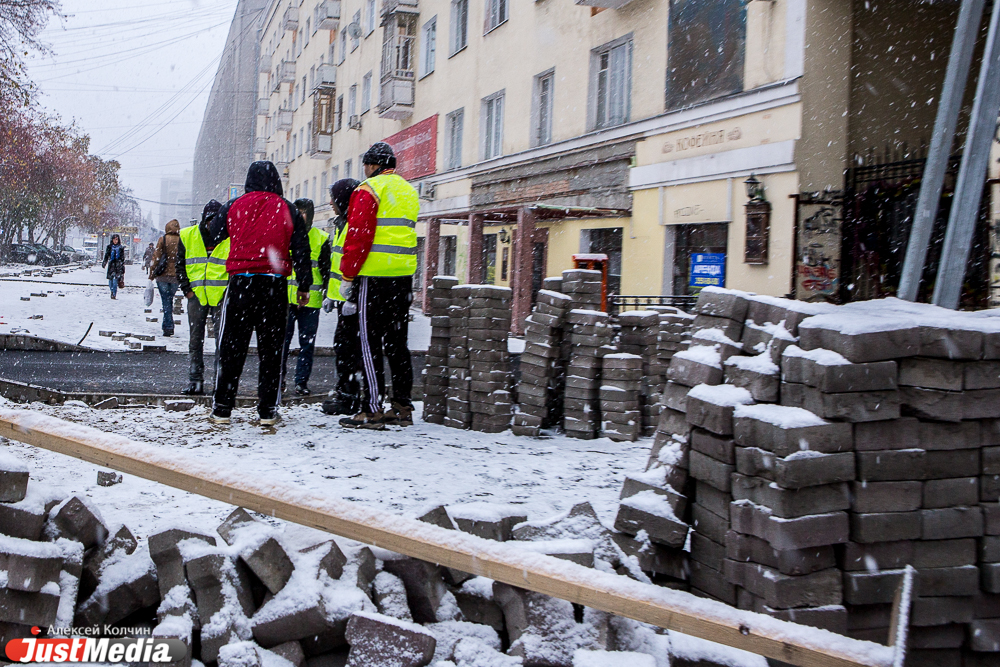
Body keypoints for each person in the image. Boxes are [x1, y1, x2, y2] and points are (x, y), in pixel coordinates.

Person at [206, 161, 312, 426]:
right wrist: (304, 285)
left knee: (232, 348)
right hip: (274, 287)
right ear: (275, 179)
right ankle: (267, 411)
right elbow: (301, 249)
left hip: (241, 284)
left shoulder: (235, 205)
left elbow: (214, 235)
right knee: (272, 350)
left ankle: (222, 408)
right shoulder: (286, 208)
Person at [336, 142, 418, 430]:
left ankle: (371, 408)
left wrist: (348, 276)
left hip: (374, 277)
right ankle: (403, 406)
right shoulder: (408, 190)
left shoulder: (369, 189)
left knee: (367, 344)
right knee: (397, 344)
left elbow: (359, 235)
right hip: (403, 278)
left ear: (372, 165)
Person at [281, 198, 331, 396]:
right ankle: (280, 379)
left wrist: (327, 292)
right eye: (298, 211)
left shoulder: (320, 238)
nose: (301, 216)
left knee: (307, 344)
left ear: (310, 215)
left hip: (311, 299)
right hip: (285, 299)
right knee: (281, 344)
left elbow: (326, 270)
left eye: (304, 212)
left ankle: (301, 382)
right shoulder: (284, 235)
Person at [177, 200, 227, 396]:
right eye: (210, 221)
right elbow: (180, 264)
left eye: (216, 220)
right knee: (195, 340)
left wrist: (228, 292)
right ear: (204, 219)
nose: (212, 225)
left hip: (220, 296)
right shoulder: (188, 236)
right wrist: (187, 290)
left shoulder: (228, 236)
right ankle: (195, 380)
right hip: (196, 296)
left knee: (222, 342)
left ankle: (219, 383)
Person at [321, 178, 361, 415]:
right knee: (343, 347)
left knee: (349, 350)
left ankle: (348, 396)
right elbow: (338, 265)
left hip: (351, 302)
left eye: (333, 198)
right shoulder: (341, 224)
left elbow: (357, 263)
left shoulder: (353, 224)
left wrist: (353, 298)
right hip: (342, 300)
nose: (330, 202)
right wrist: (331, 294)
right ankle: (344, 390)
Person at [149, 219, 182, 337]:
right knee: (170, 299)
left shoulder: (162, 239)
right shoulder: (182, 240)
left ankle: (168, 326)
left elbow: (156, 257)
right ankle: (168, 324)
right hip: (176, 276)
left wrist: (151, 274)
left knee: (165, 300)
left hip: (162, 275)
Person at [102, 234, 126, 300]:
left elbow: (122, 258)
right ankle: (112, 290)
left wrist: (121, 265)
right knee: (110, 281)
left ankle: (114, 294)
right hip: (111, 265)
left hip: (118, 266)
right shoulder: (109, 247)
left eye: (116, 239)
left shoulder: (120, 248)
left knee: (115, 280)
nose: (115, 241)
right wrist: (104, 262)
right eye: (114, 239)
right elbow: (106, 255)